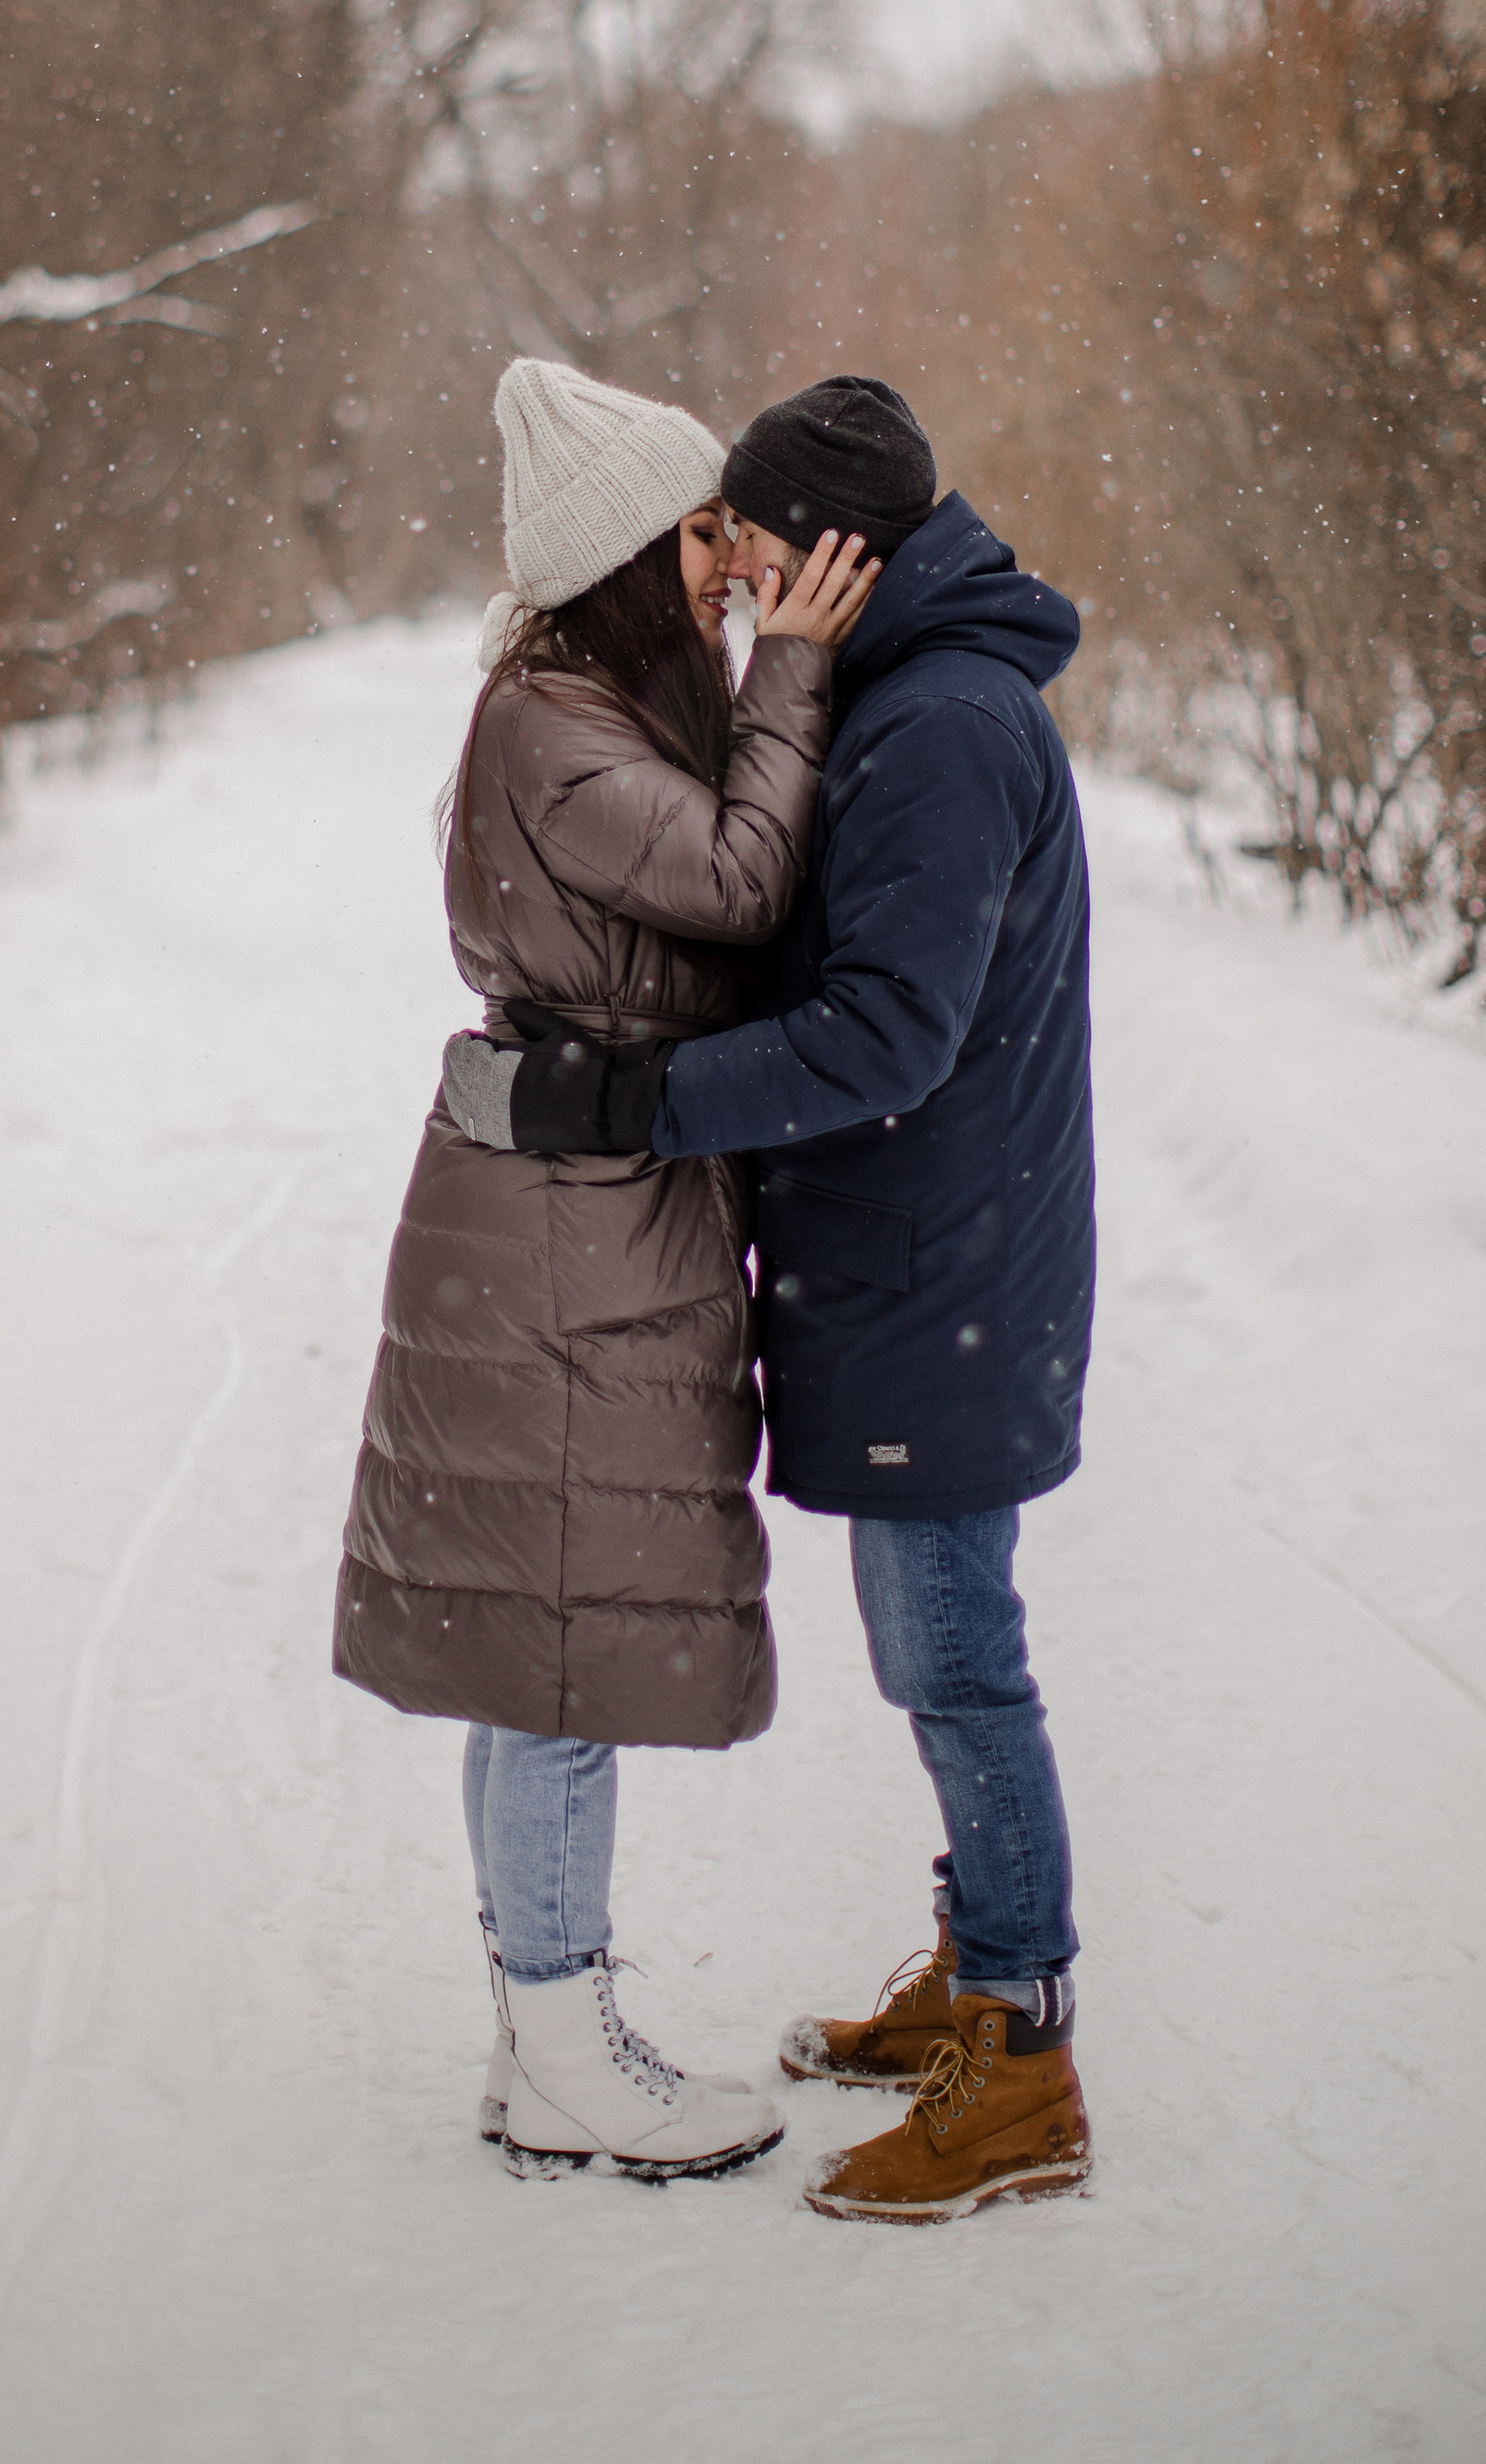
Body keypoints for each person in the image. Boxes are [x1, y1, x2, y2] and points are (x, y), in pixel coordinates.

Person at [445, 375, 1096, 2224]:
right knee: (931, 1647)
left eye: (747, 536)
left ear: (835, 553)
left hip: (939, 1263)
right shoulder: (907, 691)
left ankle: (1020, 2052)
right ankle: (978, 1970)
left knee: (953, 1659)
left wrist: (629, 1104)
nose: (726, 568)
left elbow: (882, 1032)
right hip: (918, 1255)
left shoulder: (942, 724)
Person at [333, 356, 874, 2182]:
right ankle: (566, 2042)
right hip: (563, 1236)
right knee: (561, 1658)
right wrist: (794, 669)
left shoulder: (585, 705)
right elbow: (736, 883)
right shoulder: (553, 726)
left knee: (538, 1652)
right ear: (638, 549)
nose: (736, 566)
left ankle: (538, 2040)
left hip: (582, 1214)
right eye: (708, 536)